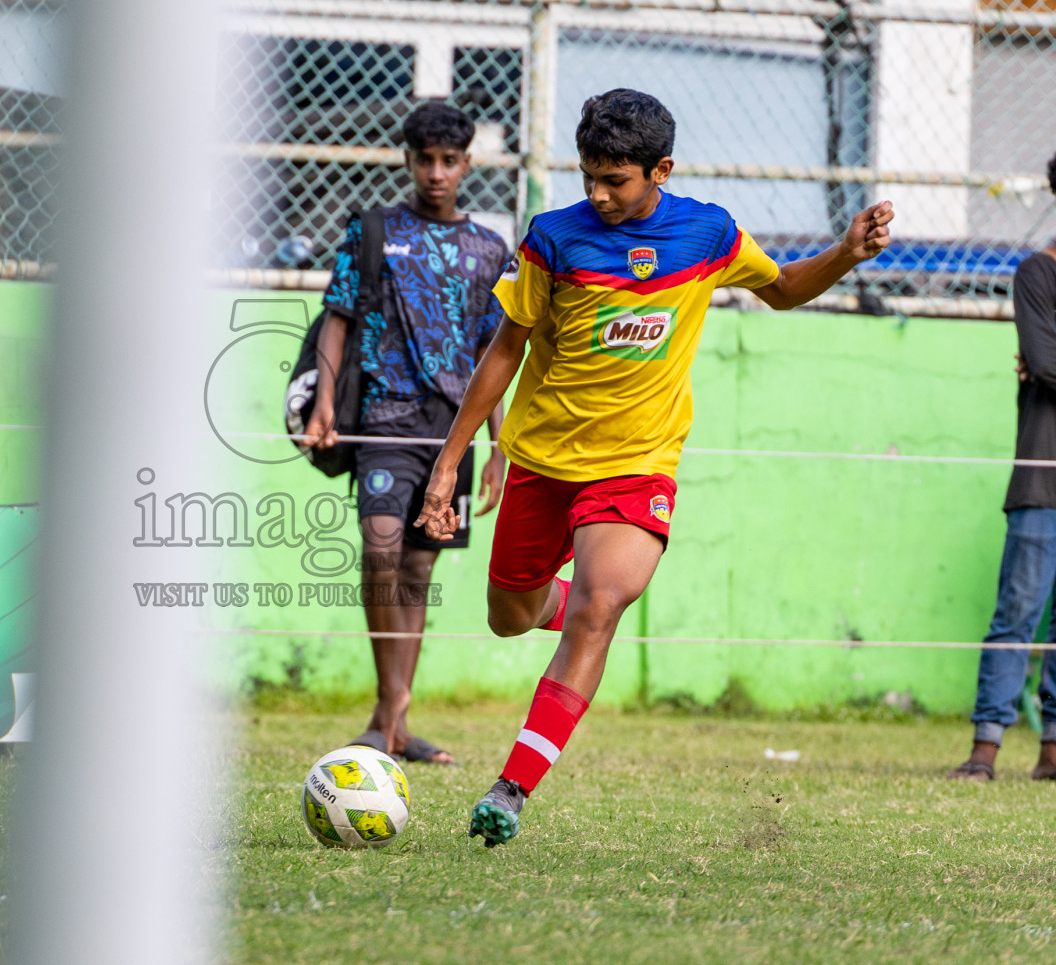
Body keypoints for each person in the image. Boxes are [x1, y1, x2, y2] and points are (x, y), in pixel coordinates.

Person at [414, 88, 894, 843]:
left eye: (616, 180)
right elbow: (505, 350)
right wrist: (452, 462)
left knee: (600, 607)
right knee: (508, 617)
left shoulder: (709, 234)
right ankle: (559, 600)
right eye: (589, 178)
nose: (599, 195)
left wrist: (844, 252)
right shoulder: (553, 239)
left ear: (660, 169)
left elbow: (785, 291)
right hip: (543, 460)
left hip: (638, 464)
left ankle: (512, 788)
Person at [299, 100, 511, 764]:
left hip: (453, 431)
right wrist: (323, 403)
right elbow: (337, 316)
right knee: (381, 545)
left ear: (468, 163)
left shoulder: (489, 249)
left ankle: (392, 721)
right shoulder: (374, 231)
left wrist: (502, 444)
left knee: (418, 568)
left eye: (450, 160)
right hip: (384, 419)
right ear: (408, 160)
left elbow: (495, 350)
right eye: (425, 160)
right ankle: (391, 715)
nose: (437, 173)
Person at [947, 153, 1056, 782]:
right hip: (1043, 475)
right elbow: (1044, 364)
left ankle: (1051, 756)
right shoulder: (1038, 274)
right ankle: (985, 750)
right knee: (1017, 612)